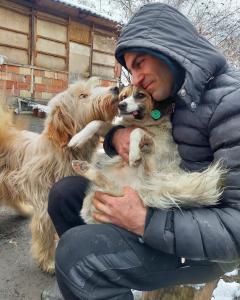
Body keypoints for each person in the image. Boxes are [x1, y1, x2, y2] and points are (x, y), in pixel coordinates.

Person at [42, 2, 240, 300]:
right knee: (65, 194)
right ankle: (100, 285)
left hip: (198, 247)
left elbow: (236, 225)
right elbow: (136, 131)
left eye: (138, 63)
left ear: (168, 48)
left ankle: (90, 273)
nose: (134, 79)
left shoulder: (231, 103)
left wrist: (146, 222)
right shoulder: (173, 94)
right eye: (129, 69)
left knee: (77, 257)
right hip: (153, 199)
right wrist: (117, 136)